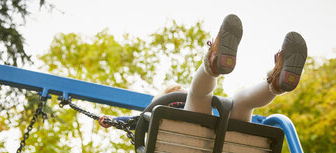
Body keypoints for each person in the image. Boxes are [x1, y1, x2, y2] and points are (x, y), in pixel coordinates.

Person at [99, 14, 307, 127]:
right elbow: (136, 121)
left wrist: (113, 121)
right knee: (238, 101)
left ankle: (216, 65)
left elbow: (135, 121)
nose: (180, 101)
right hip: (226, 151)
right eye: (176, 98)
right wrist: (114, 121)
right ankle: (274, 85)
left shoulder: (155, 116)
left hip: (198, 145)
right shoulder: (158, 113)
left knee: (222, 98)